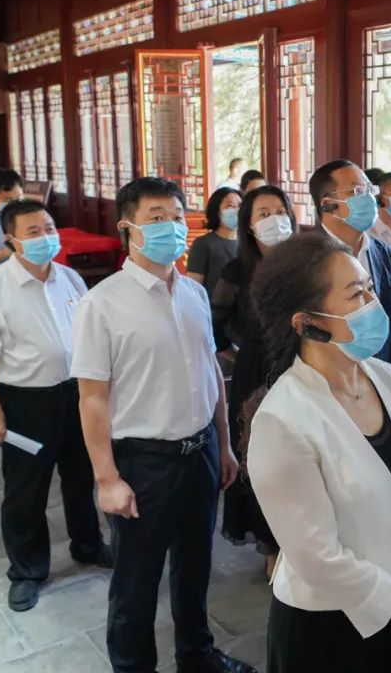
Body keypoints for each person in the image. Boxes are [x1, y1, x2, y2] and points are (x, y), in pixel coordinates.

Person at [244, 234, 391, 672]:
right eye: (357, 295)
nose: (374, 304)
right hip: (328, 627)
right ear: (306, 323)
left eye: (370, 289)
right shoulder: (282, 419)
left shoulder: (385, 376)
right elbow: (316, 557)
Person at [71, 177, 255, 673]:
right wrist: (107, 479)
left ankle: (197, 655)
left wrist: (224, 443)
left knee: (195, 567)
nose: (170, 227)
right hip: (143, 462)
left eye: (176, 217)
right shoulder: (101, 304)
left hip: (201, 452)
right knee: (137, 580)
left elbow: (210, 370)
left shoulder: (194, 293)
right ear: (127, 228)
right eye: (156, 218)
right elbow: (92, 398)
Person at [0, 199, 111, 613]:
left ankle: (87, 544)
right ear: (11, 240)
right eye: (33, 232)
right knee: (26, 490)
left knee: (81, 477)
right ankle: (27, 570)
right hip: (26, 402)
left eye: (49, 228)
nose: (46, 237)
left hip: (76, 394)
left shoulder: (69, 278)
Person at [211, 185, 298, 579]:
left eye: (280, 210)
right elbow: (214, 326)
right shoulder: (237, 271)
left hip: (303, 369)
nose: (274, 219)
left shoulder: (306, 264)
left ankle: (302, 543)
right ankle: (271, 547)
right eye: (263, 213)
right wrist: (242, 357)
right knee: (265, 461)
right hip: (256, 377)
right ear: (248, 225)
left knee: (301, 459)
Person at [309, 159, 391, 380]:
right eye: (358, 191)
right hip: (324, 384)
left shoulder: (386, 256)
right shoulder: (304, 260)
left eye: (369, 190)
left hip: (384, 381)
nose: (369, 198)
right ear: (328, 204)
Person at [186, 187, 241, 301]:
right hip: (213, 309)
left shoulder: (249, 243)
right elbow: (194, 288)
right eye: (230, 206)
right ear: (216, 211)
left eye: (240, 205)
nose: (237, 210)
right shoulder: (203, 244)